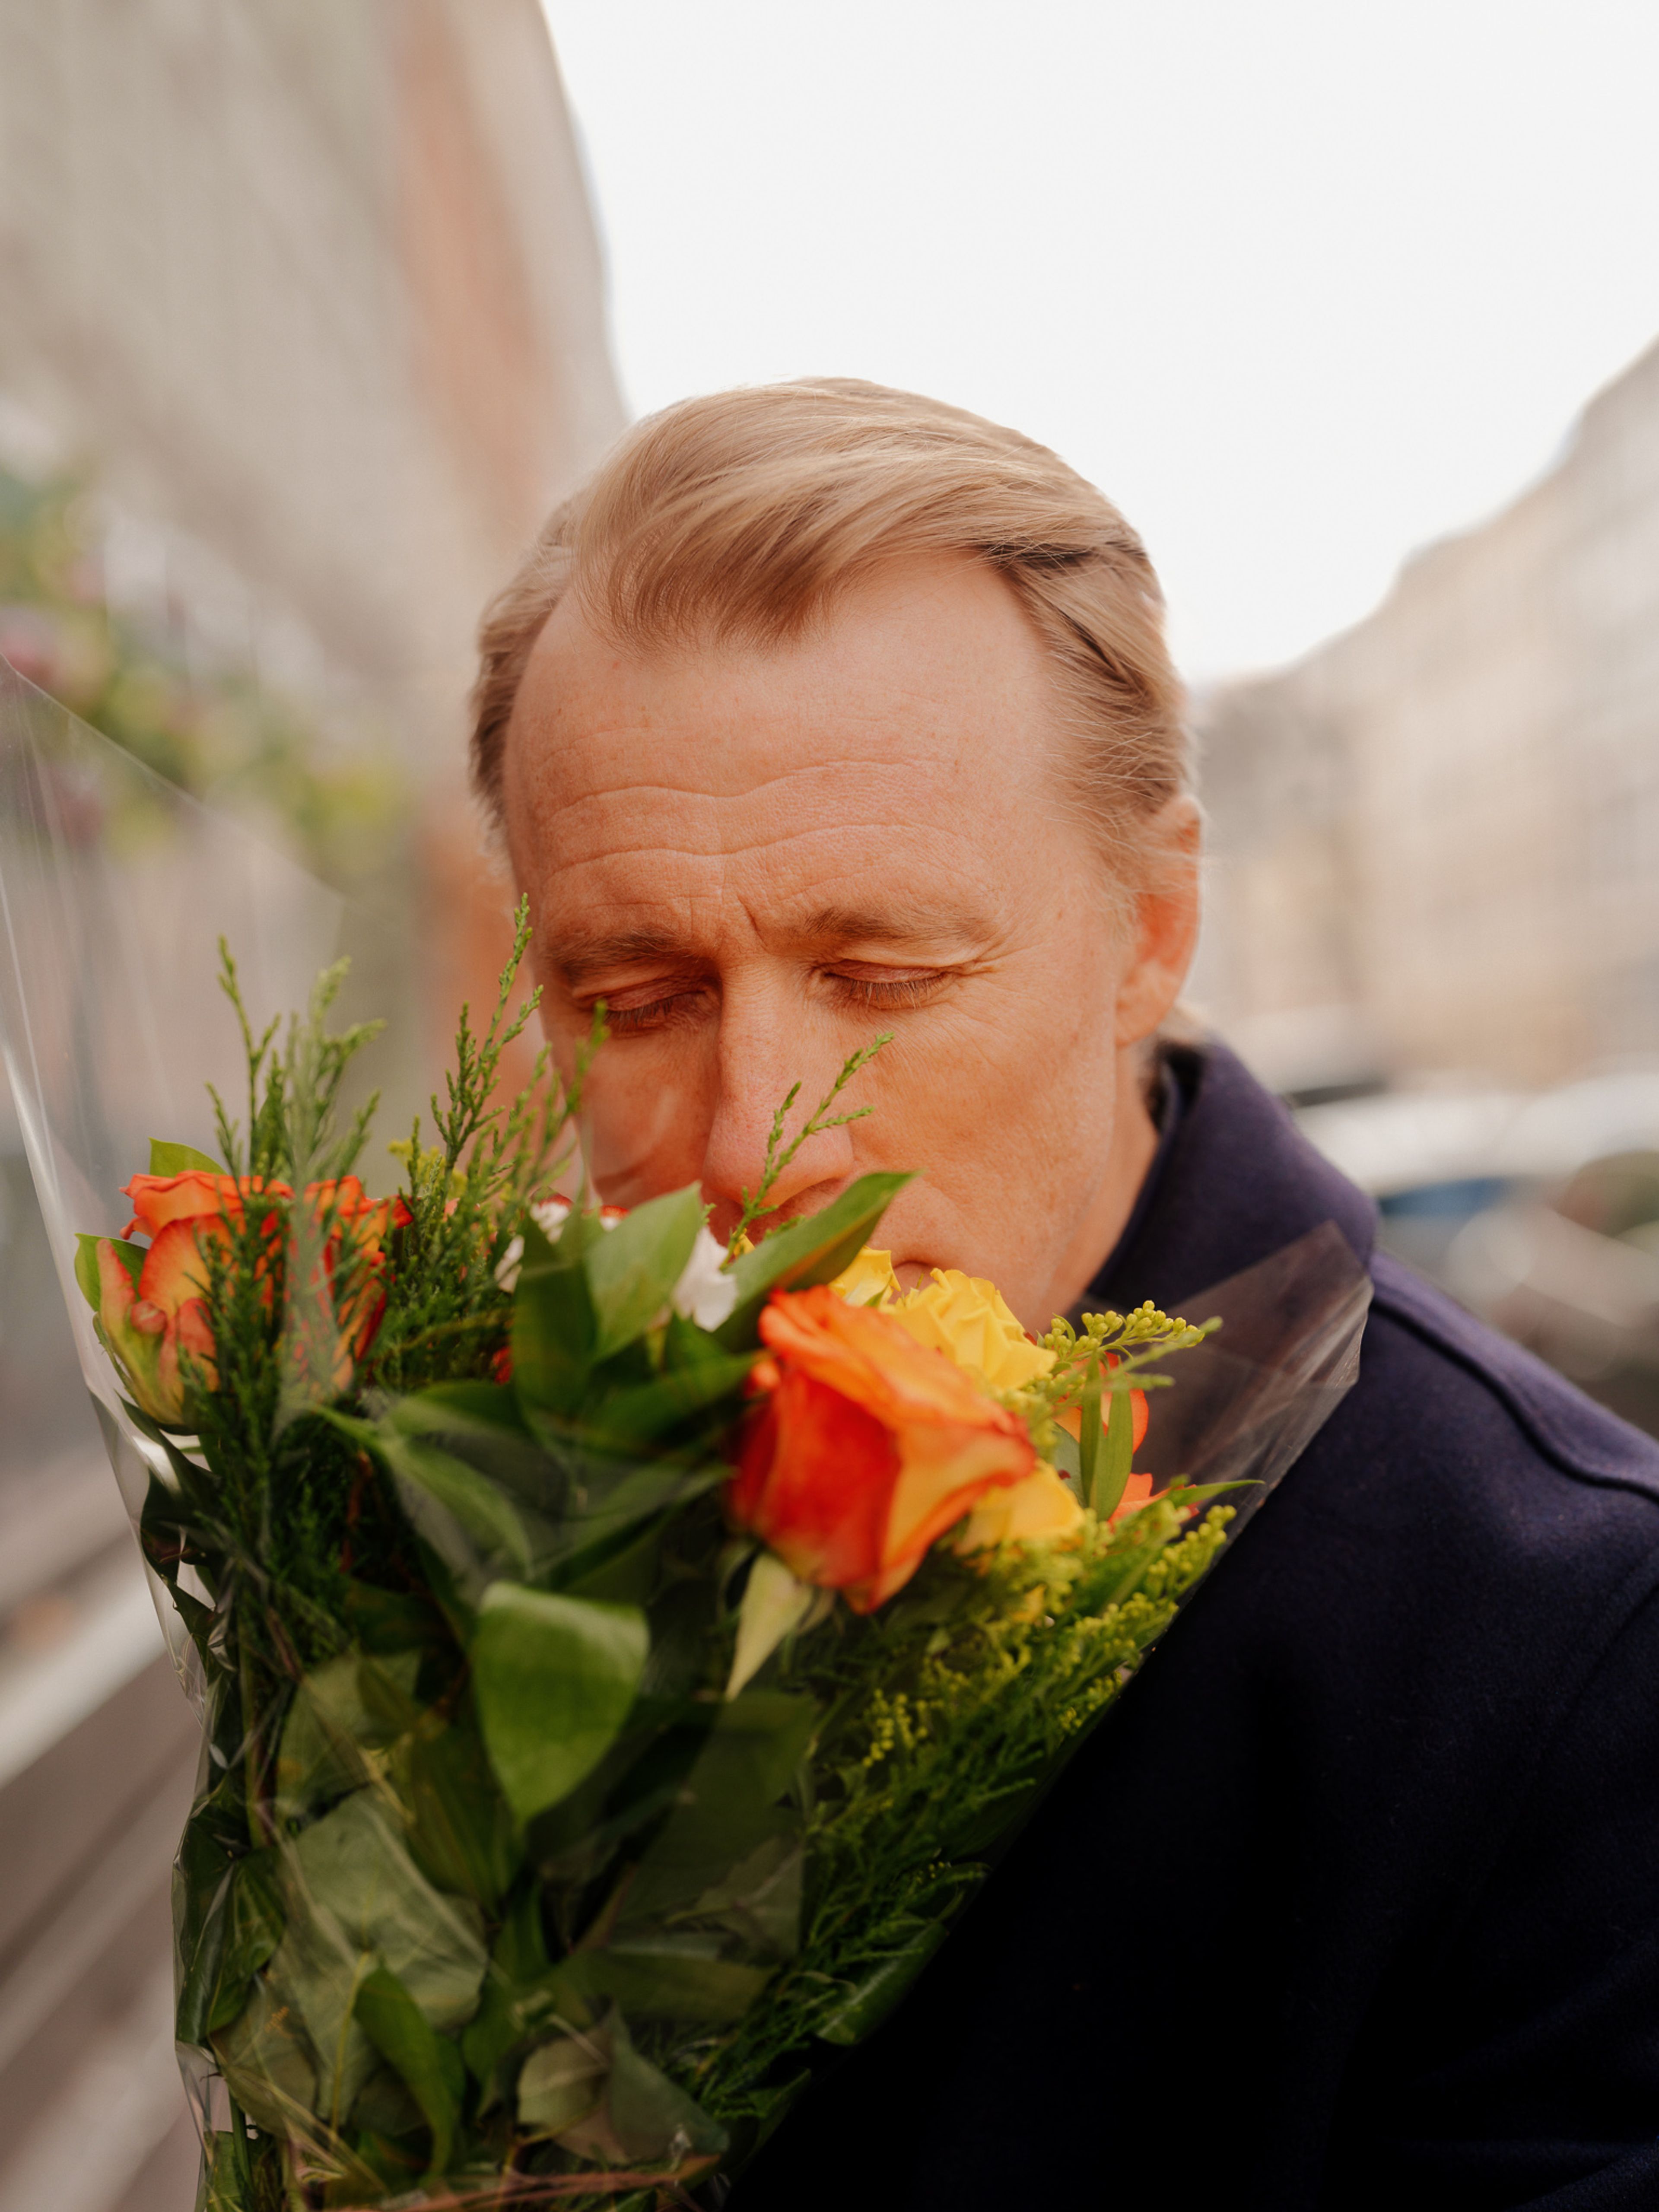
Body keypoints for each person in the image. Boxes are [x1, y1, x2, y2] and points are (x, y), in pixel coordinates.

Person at [472, 380, 1659, 2209]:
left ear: (1149, 930)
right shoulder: (491, 1490)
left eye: (883, 974)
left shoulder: (1571, 1653)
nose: (755, 1148)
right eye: (635, 999)